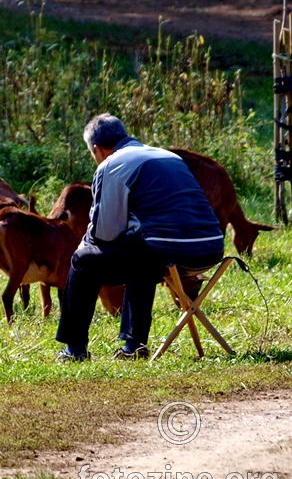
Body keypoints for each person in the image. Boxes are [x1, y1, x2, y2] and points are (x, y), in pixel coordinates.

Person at [55, 114, 224, 361]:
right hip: (209, 250)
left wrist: (86, 244)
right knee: (140, 251)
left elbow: (104, 233)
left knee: (83, 260)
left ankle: (74, 349)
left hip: (164, 253)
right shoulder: (170, 156)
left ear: (97, 149)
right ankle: (133, 345)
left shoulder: (112, 165)